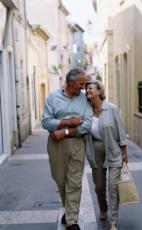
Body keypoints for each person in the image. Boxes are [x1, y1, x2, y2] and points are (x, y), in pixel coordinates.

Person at [42, 68, 93, 230]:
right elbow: (46, 122)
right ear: (70, 83)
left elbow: (87, 124)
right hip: (56, 144)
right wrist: (68, 122)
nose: (84, 87)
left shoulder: (85, 99)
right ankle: (69, 210)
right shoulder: (53, 97)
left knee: (75, 182)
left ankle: (72, 220)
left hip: (77, 142)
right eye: (81, 84)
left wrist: (65, 131)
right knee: (60, 180)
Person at [85, 80, 128, 230]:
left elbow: (121, 132)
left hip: (113, 149)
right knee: (99, 187)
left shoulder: (112, 109)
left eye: (90, 88)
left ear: (99, 91)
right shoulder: (86, 111)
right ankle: (103, 208)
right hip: (96, 149)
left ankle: (113, 221)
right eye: (86, 89)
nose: (87, 90)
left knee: (112, 187)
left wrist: (124, 153)